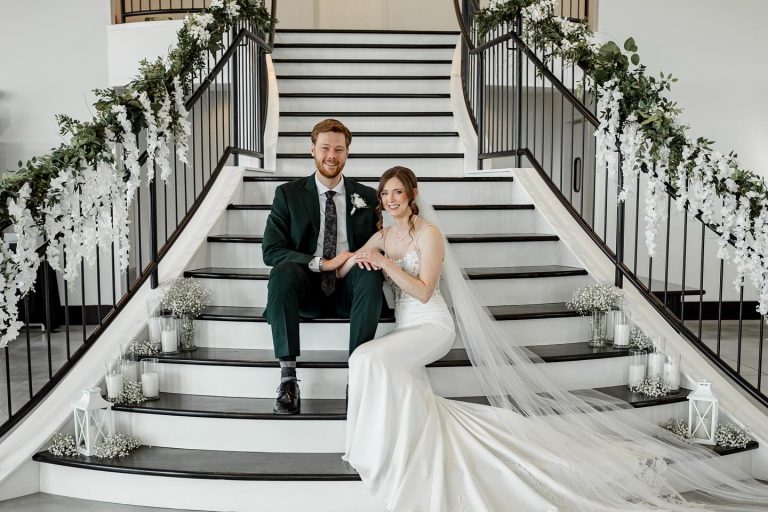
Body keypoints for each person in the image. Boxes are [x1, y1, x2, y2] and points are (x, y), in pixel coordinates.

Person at [341, 166, 768, 511]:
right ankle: (392, 446)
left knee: (371, 360)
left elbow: (424, 290)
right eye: (385, 194)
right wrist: (340, 262)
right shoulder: (384, 235)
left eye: (397, 192)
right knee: (368, 360)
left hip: (432, 325)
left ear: (411, 195)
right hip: (404, 327)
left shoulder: (427, 234)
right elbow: (350, 266)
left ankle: (380, 449)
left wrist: (384, 264)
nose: (390, 199)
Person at [261, 118, 382, 415]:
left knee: (370, 272)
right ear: (312, 149)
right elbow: (272, 251)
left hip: (349, 291)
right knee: (282, 271)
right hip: (305, 289)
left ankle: (357, 378)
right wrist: (323, 263)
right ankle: (288, 378)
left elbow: (378, 243)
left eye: (339, 149)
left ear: (348, 153)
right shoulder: (287, 195)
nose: (332, 155)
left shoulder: (366, 196)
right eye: (325, 148)